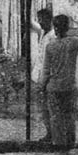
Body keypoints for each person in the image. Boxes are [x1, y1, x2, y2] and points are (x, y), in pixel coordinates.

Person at [40, 14, 78, 148]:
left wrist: (42, 87)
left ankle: (59, 146)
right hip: (69, 86)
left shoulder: (50, 46)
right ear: (67, 27)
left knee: (56, 118)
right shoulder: (74, 42)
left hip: (53, 87)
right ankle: (70, 145)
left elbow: (46, 70)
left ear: (55, 28)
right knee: (69, 117)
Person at [30, 8, 55, 142]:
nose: (41, 22)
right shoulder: (44, 34)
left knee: (48, 107)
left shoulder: (52, 36)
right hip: (40, 75)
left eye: (43, 20)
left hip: (47, 77)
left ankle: (51, 133)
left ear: (49, 20)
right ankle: (49, 132)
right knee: (43, 107)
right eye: (39, 20)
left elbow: (49, 61)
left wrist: (44, 80)